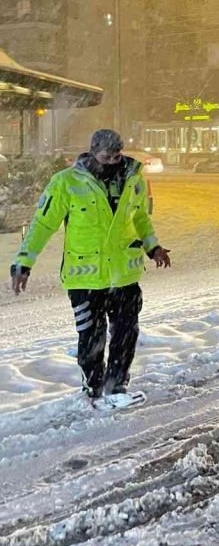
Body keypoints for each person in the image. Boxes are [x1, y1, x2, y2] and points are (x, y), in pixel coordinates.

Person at [10, 129, 171, 399]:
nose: (112, 162)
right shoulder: (66, 182)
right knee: (92, 340)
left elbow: (140, 218)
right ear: (93, 153)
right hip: (84, 278)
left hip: (124, 276)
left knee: (125, 336)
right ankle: (94, 391)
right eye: (106, 156)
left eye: (117, 156)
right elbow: (43, 224)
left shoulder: (133, 180)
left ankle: (116, 387)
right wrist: (24, 262)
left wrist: (152, 247)